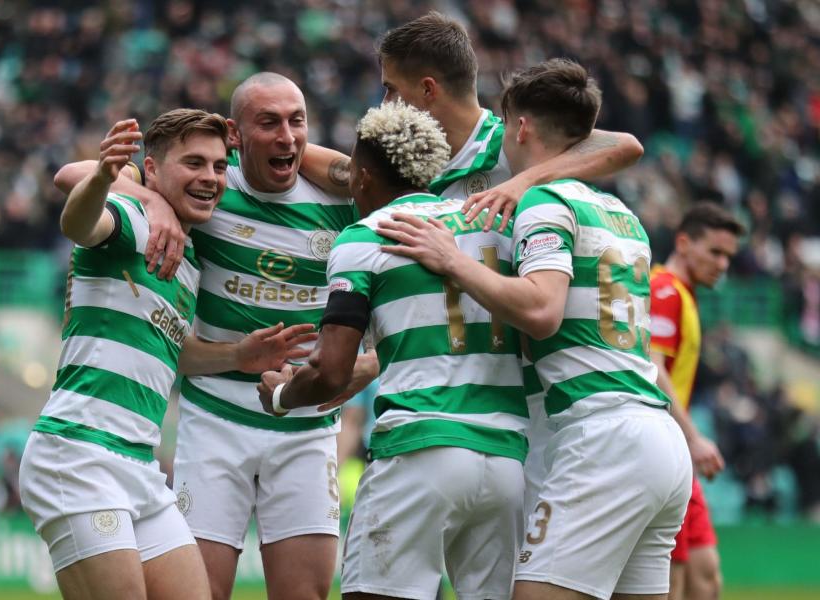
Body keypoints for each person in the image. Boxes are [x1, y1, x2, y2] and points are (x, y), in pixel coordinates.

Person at [300, 11, 645, 516]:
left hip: (531, 401)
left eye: (391, 90)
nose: (385, 104)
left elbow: (624, 145)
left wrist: (523, 181)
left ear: (427, 90)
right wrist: (250, 136)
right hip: (454, 393)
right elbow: (340, 170)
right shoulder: (410, 167)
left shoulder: (510, 147)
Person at [377, 59, 692, 600]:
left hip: (599, 435)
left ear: (519, 128)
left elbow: (543, 310)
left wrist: (454, 261)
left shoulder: (544, 201)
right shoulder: (621, 214)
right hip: (658, 437)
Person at [55, 72, 376, 600]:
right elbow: (72, 174)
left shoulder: (342, 203)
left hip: (305, 422)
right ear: (234, 132)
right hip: (214, 420)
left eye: (296, 122)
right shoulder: (210, 192)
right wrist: (152, 201)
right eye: (268, 122)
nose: (287, 136)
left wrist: (372, 360)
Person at [21, 110, 315, 600]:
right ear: (151, 170)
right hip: (78, 453)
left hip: (140, 465)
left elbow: (173, 353)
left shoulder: (187, 260)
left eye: (220, 167)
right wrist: (105, 176)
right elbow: (78, 221)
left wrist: (239, 355)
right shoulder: (133, 219)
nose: (210, 178)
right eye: (194, 163)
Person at [258, 99, 528, 600]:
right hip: (507, 459)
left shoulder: (365, 237)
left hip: (420, 450)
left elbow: (330, 372)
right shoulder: (495, 227)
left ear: (360, 177)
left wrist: (280, 396)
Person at [650, 202, 743, 600]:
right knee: (675, 581)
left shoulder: (683, 295)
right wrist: (694, 437)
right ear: (684, 242)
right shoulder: (665, 291)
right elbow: (651, 367)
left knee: (706, 578)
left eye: (728, 256)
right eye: (715, 252)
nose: (723, 264)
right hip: (665, 449)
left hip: (679, 453)